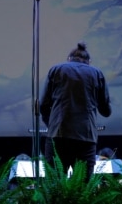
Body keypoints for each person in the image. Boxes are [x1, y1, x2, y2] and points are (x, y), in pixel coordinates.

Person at [40, 41, 112, 179]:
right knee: (83, 188)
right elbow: (106, 111)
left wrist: (52, 124)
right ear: (89, 61)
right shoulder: (97, 73)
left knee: (54, 187)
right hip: (86, 137)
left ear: (69, 58)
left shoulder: (56, 69)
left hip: (58, 136)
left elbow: (43, 104)